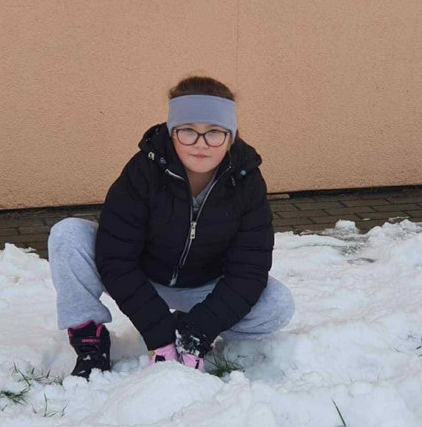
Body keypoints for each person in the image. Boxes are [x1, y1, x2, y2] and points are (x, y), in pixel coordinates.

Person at [47, 75, 295, 379]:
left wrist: (199, 330)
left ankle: (187, 324)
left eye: (214, 132)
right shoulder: (144, 170)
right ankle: (90, 339)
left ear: (231, 136)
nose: (201, 144)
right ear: (171, 131)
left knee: (277, 305)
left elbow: (249, 270)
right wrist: (158, 333)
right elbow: (116, 258)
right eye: (188, 130)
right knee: (68, 235)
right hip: (141, 277)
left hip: (202, 287)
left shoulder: (246, 180)